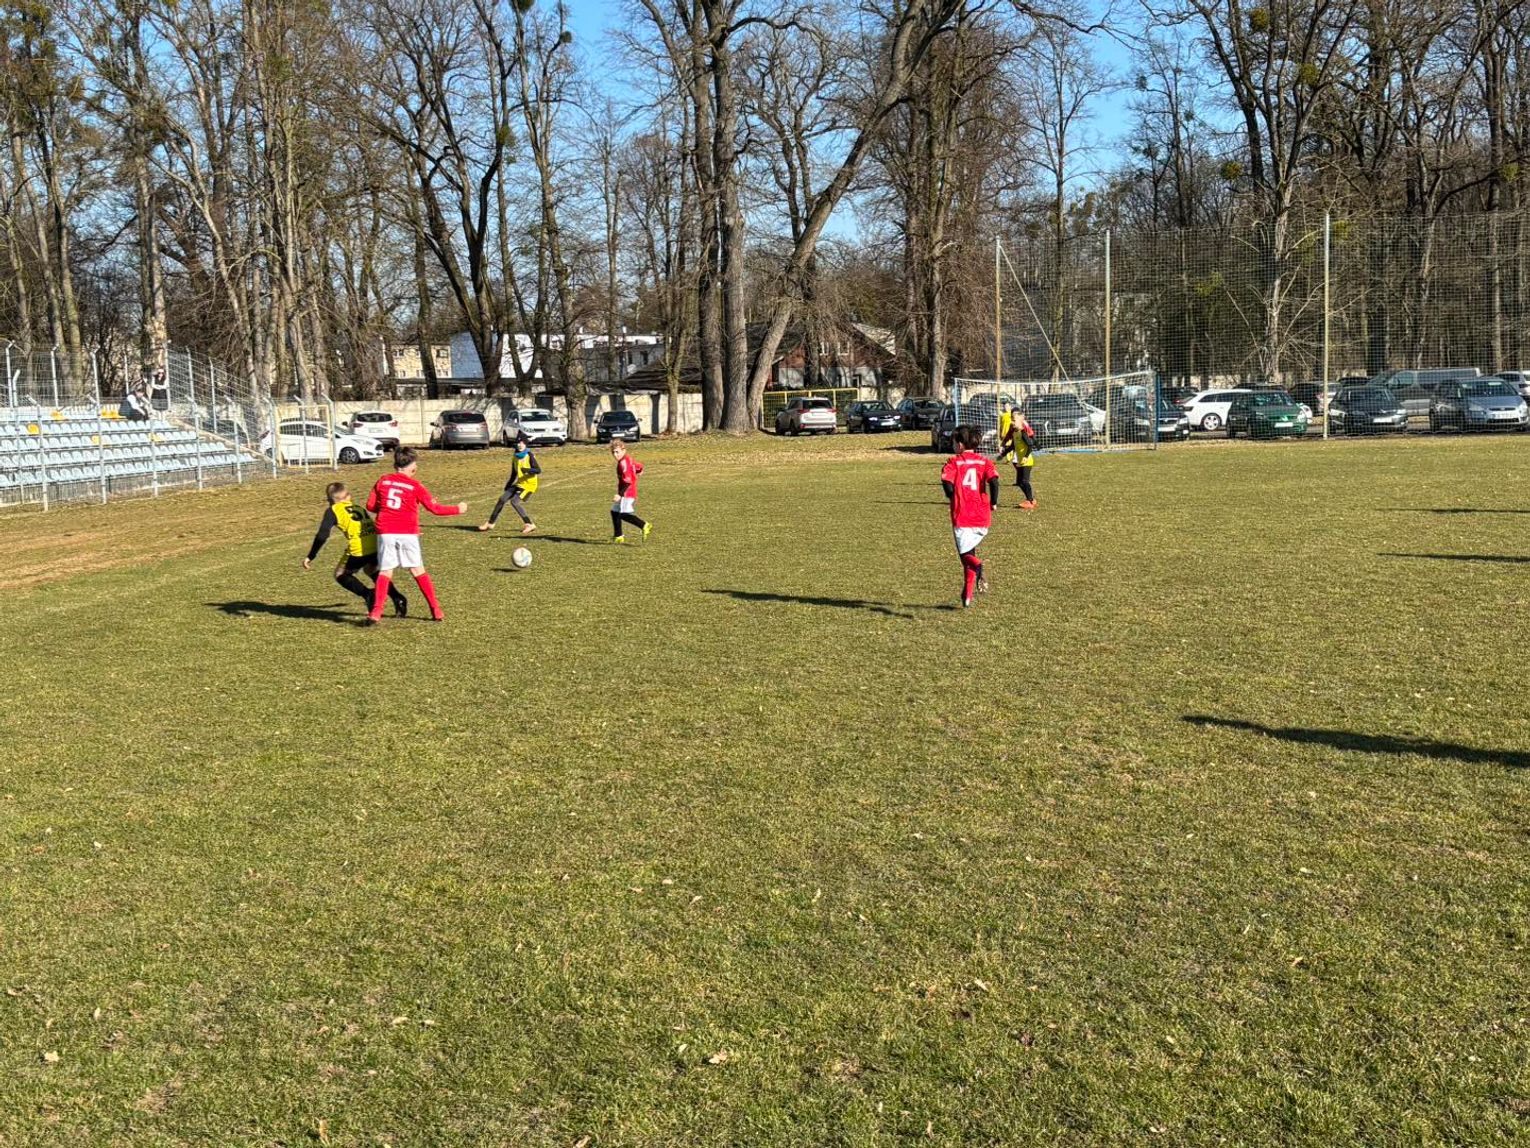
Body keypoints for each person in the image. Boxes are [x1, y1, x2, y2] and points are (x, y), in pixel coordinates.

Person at [364, 447, 466, 624]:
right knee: (417, 570)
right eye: (415, 464)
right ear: (412, 466)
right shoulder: (415, 486)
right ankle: (436, 610)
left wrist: (388, 508)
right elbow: (435, 509)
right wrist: (458, 509)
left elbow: (371, 506)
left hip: (386, 531)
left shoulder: (383, 480)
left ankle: (376, 612)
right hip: (407, 532)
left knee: (386, 571)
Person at [304, 481, 409, 617]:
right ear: (348, 496)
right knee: (370, 570)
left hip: (359, 549)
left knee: (340, 574)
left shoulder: (333, 510)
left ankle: (369, 595)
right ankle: (397, 597)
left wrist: (311, 555)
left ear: (330, 500)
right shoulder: (357, 507)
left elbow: (322, 535)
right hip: (376, 543)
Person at [941, 424, 999, 608]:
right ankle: (967, 595)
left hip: (963, 515)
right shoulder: (985, 462)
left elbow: (947, 483)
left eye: (953, 442)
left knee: (966, 556)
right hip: (982, 516)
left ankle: (979, 567)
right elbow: (994, 481)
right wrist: (994, 502)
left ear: (959, 444)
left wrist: (952, 496)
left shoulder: (953, 462)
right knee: (969, 552)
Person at [479, 435, 540, 534]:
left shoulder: (529, 455)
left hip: (529, 485)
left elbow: (538, 470)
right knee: (502, 499)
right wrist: (508, 485)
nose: (519, 445)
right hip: (519, 483)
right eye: (518, 443)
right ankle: (490, 523)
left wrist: (527, 470)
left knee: (514, 502)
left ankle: (529, 524)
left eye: (522, 443)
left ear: (525, 444)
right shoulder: (515, 456)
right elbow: (514, 473)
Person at [610, 439, 651, 543]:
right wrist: (640, 470)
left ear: (624, 450)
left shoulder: (623, 463)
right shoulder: (628, 459)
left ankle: (644, 525)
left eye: (617, 452)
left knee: (623, 514)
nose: (615, 454)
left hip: (627, 492)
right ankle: (618, 536)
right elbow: (638, 466)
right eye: (613, 452)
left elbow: (627, 482)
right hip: (625, 491)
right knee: (614, 511)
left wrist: (620, 495)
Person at [1001, 408, 1037, 510]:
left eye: (1014, 420)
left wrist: (1026, 457)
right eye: (1012, 420)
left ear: (1020, 421)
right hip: (1020, 461)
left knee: (1024, 481)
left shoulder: (1023, 433)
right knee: (1020, 482)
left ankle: (1029, 501)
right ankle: (1031, 500)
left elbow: (1030, 445)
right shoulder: (1014, 433)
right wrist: (1003, 454)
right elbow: (1013, 446)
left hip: (1027, 461)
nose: (1012, 422)